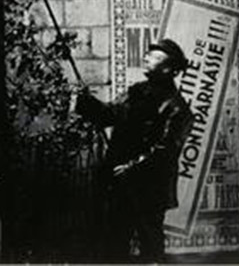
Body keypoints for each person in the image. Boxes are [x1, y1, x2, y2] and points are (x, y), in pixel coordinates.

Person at [77, 38, 193, 262]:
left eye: (156, 57)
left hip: (149, 189)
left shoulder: (177, 108)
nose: (147, 58)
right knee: (115, 242)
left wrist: (131, 168)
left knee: (150, 245)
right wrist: (87, 103)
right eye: (149, 54)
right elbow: (109, 115)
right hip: (121, 183)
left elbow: (164, 151)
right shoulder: (136, 93)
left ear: (170, 69)